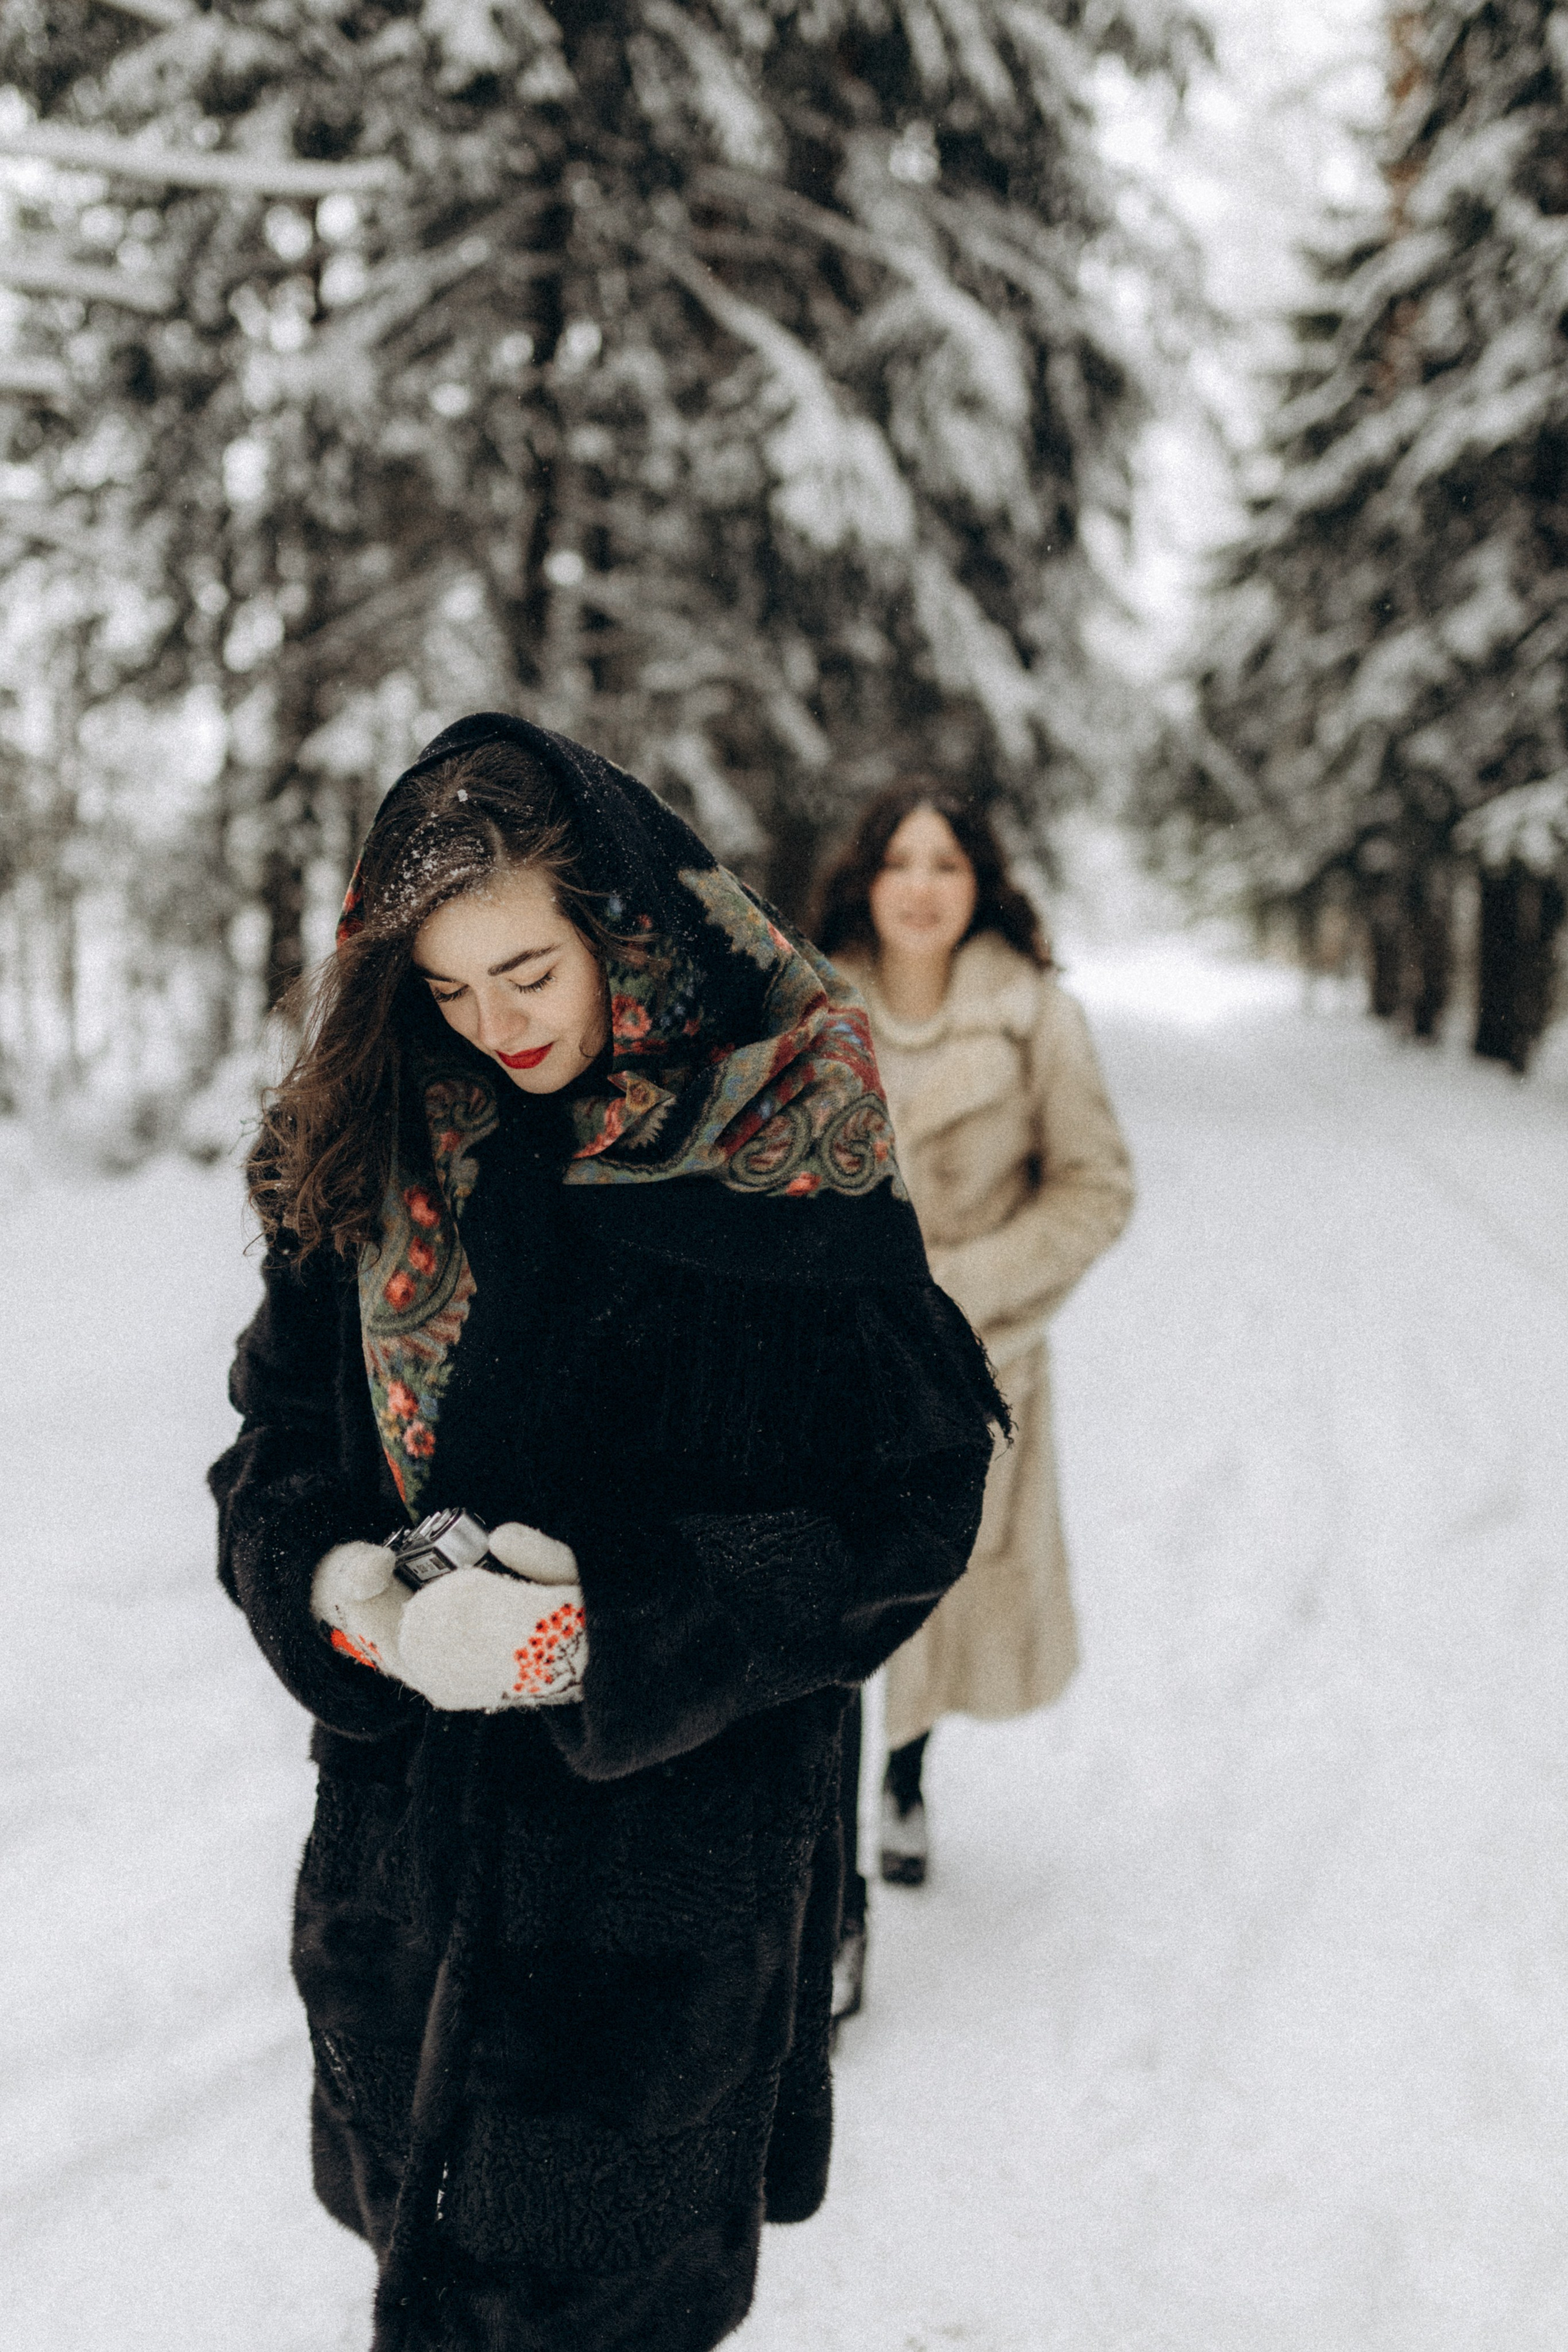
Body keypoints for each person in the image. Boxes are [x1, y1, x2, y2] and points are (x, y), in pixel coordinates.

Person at [209, 716, 1005, 2352]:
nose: (491, 1028)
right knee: (418, 2269)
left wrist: (616, 1627)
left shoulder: (784, 1135)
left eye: (528, 974)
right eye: (442, 989)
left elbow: (910, 1506)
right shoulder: (379, 1139)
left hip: (660, 1904)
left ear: (623, 929)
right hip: (403, 1877)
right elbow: (273, 1449)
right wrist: (341, 1597)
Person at [815, 780, 1133, 2011]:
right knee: (820, 1625)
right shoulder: (808, 1006)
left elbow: (1094, 1191)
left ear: (978, 884)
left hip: (973, 1371)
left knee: (927, 1601)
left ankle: (902, 1779)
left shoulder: (1034, 1017)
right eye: (898, 860)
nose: (920, 884)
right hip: (827, 1373)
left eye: (944, 862)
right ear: (866, 880)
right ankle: (829, 1888)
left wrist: (957, 1287)